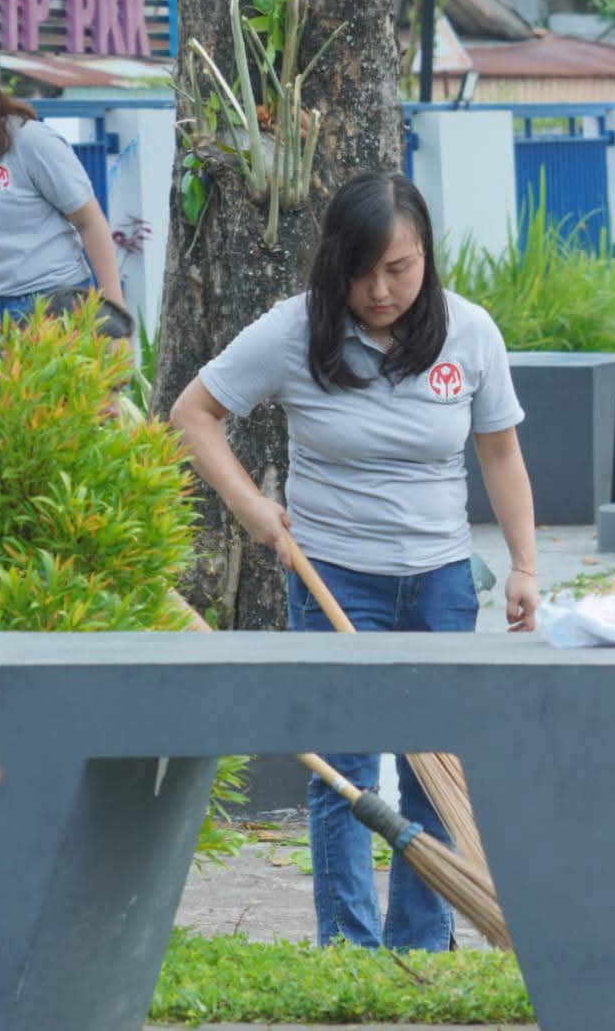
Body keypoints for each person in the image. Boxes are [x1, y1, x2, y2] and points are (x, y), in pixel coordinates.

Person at [170, 171, 540, 952]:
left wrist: (525, 564)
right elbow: (192, 414)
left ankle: (423, 940)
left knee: (437, 767)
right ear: (335, 261)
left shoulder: (469, 332)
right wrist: (249, 505)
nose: (379, 290)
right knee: (344, 772)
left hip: (441, 580)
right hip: (330, 571)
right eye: (362, 270)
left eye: (398, 269)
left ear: (426, 258)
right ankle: (349, 947)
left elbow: (501, 453)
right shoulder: (294, 329)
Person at [0, 37, 128, 379]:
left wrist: (113, 319)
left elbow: (90, 222)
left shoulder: (29, 143)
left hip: (48, 310)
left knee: (55, 426)